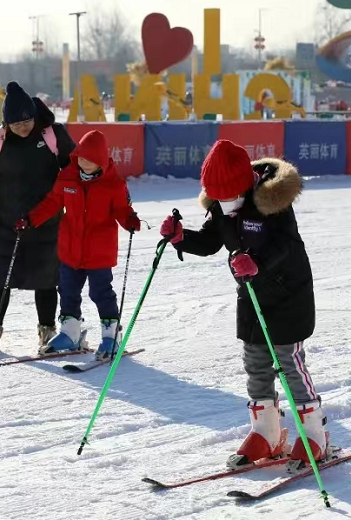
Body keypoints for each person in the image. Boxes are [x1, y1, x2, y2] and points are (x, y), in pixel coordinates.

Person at [159, 139, 327, 472]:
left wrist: (257, 263)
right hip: (251, 294)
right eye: (218, 199)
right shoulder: (222, 203)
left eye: (229, 197)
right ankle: (266, 432)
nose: (225, 204)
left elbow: (286, 246)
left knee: (288, 362)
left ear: (245, 185)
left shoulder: (272, 202)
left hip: (288, 294)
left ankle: (314, 435)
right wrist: (181, 237)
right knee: (255, 361)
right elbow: (210, 241)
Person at [0, 81, 76, 353]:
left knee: (47, 279)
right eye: (16, 124)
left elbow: (75, 171)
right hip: (7, 222)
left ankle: (47, 330)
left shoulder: (52, 134)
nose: (23, 127)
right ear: (6, 123)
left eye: (27, 121)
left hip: (47, 222)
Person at [23, 130, 140, 359]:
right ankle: (70, 333)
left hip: (99, 252)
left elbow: (122, 209)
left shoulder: (113, 184)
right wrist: (31, 219)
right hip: (71, 249)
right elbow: (53, 202)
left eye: (91, 159)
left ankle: (111, 337)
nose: (84, 162)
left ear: (101, 160)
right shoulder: (67, 177)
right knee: (67, 290)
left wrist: (130, 221)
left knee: (101, 293)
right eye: (81, 157)